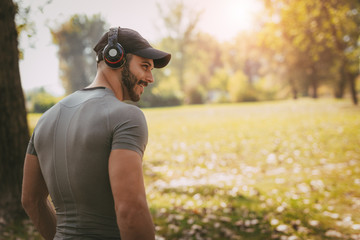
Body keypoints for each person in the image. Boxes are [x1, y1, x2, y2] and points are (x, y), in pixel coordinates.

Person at [21, 26, 171, 240]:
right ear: (115, 58)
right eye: (145, 66)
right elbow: (130, 211)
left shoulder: (45, 120)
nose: (150, 78)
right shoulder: (127, 116)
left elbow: (30, 200)